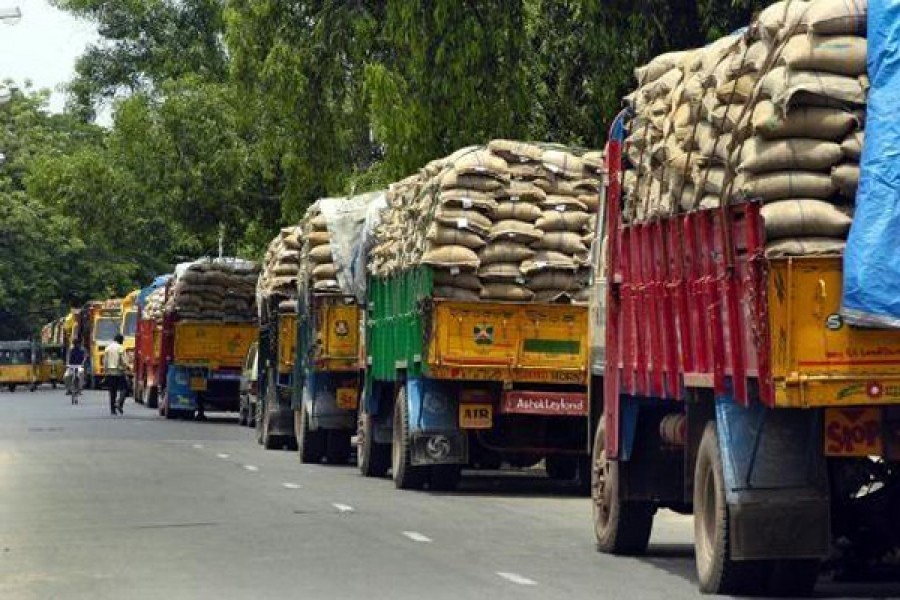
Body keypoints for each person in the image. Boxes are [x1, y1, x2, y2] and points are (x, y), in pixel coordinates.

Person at [103, 334, 128, 415]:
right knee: (124, 389)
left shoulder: (108, 348)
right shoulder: (120, 348)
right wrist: (126, 367)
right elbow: (123, 361)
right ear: (120, 340)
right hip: (119, 372)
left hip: (110, 372)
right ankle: (119, 403)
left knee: (112, 391)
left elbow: (105, 361)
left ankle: (112, 410)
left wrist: (105, 371)